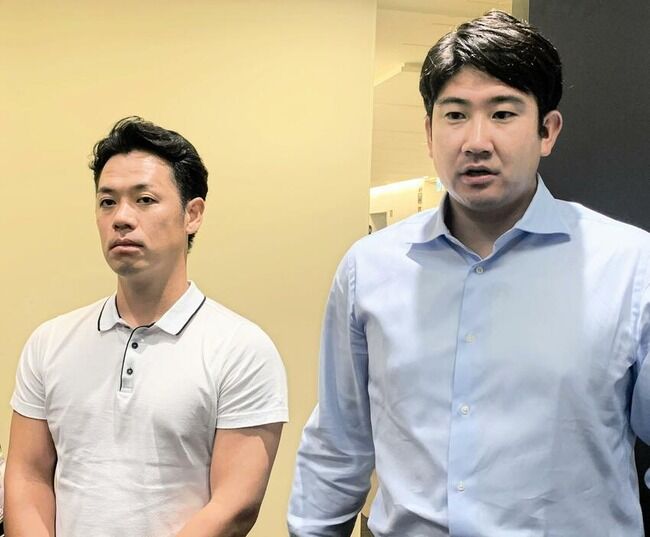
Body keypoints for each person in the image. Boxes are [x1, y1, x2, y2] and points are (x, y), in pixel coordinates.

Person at [288, 10, 650, 537]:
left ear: (547, 131)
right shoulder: (370, 268)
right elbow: (338, 443)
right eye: (455, 115)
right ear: (429, 132)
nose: (476, 141)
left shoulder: (629, 265)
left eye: (502, 113)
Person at [5, 117, 288, 537]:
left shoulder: (242, 348)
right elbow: (27, 477)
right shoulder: (50, 342)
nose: (121, 218)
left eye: (145, 200)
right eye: (107, 202)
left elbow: (234, 505)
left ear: (192, 214)